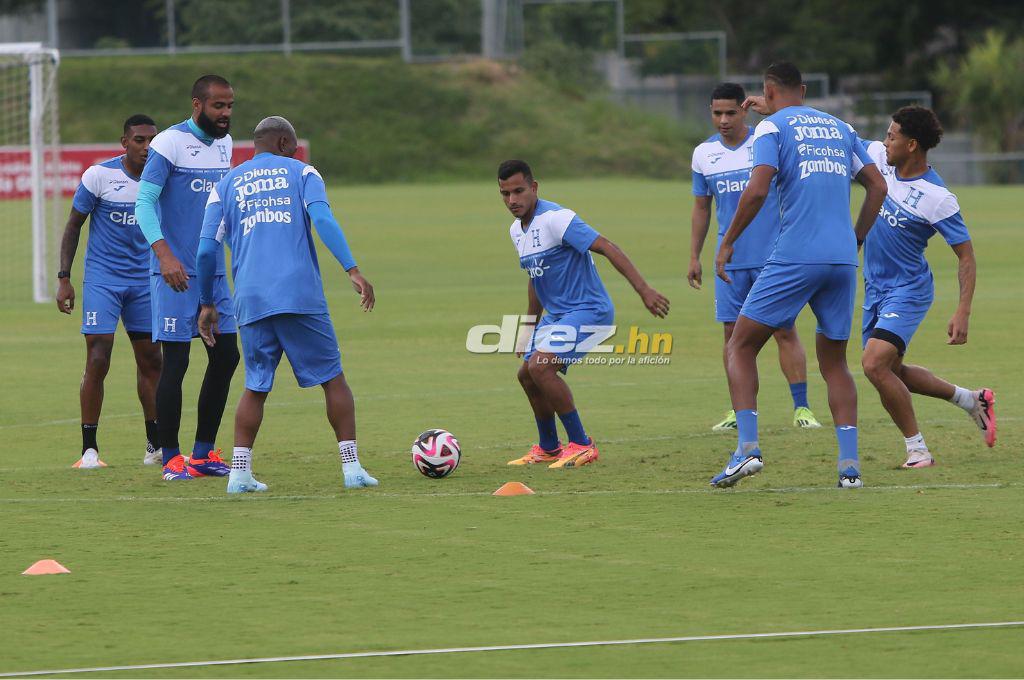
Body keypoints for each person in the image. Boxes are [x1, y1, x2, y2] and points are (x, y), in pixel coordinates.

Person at [710, 62, 888, 489]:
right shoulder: (841, 127)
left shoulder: (770, 131)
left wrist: (728, 241)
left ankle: (746, 450)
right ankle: (849, 469)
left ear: (767, 93)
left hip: (796, 255)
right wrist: (855, 238)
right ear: (803, 90)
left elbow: (757, 189)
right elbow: (878, 186)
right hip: (842, 259)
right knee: (835, 363)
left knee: (740, 345)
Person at [196, 116, 378, 493]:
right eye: (291, 147)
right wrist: (353, 270)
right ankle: (351, 468)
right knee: (333, 378)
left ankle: (239, 474)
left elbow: (205, 251)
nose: (294, 153)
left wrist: (207, 303)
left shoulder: (225, 185)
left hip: (250, 297)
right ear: (281, 142)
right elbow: (322, 217)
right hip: (298, 294)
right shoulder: (303, 172)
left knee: (255, 386)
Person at [499, 159, 670, 469]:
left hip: (589, 310)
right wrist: (527, 327)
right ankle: (550, 447)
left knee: (541, 367)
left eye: (519, 191)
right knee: (526, 374)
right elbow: (536, 279)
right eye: (505, 194)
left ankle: (582, 444)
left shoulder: (556, 219)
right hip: (558, 315)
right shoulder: (516, 230)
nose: (512, 200)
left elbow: (608, 246)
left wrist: (644, 290)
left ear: (534, 188)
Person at [860, 106, 996, 468]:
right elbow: (837, 134)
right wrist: (777, 110)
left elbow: (966, 256)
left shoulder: (937, 197)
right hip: (874, 288)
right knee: (891, 371)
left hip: (908, 290)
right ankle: (971, 400)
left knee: (874, 364)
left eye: (892, 135)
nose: (885, 140)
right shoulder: (880, 160)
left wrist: (962, 310)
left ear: (912, 145)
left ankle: (917, 450)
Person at [689, 82, 821, 433]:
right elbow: (702, 208)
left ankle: (802, 408)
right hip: (728, 261)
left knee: (784, 330)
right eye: (717, 113)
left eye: (731, 112)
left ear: (744, 110)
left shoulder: (767, 141)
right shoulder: (703, 154)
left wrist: (774, 110)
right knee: (732, 337)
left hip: (773, 256)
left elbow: (797, 126)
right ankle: (740, 410)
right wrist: (694, 255)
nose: (723, 119)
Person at [134, 75, 239, 481]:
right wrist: (164, 255)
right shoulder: (169, 144)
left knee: (227, 354)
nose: (226, 114)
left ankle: (203, 452)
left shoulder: (226, 145)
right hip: (174, 270)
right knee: (175, 361)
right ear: (197, 104)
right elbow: (144, 203)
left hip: (212, 270)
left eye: (230, 106)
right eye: (219, 106)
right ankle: (171, 456)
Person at [56, 114, 162, 469]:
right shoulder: (99, 176)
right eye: (139, 140)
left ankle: (155, 444)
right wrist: (64, 277)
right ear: (124, 143)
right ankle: (89, 449)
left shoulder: (163, 178)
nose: (147, 146)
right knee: (98, 357)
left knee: (151, 360)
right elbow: (74, 226)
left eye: (152, 140)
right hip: (103, 280)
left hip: (145, 281)